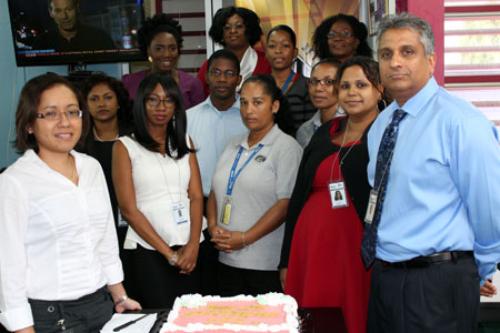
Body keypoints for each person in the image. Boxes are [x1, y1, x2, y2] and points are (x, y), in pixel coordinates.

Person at [363, 13, 500, 333]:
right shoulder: (382, 126)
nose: (395, 62)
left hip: (437, 283)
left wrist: (472, 270)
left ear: (431, 60)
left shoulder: (460, 122)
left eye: (407, 52)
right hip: (384, 278)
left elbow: (490, 206)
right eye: (386, 54)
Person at [0, 73, 140, 333]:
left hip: (101, 306)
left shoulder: (91, 168)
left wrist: (119, 295)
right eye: (50, 114)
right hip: (51, 317)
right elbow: (9, 269)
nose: (65, 122)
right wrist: (23, 328)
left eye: (72, 112)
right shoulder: (15, 182)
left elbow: (105, 238)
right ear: (30, 124)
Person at [280, 57, 382, 333]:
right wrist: (286, 257)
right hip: (310, 245)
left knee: (352, 314)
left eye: (361, 85)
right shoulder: (326, 132)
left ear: (379, 89)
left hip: (354, 249)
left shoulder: (386, 136)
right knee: (313, 317)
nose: (352, 92)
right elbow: (299, 195)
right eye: (345, 85)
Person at [112, 73, 204, 309]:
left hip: (191, 248)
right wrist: (169, 255)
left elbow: (195, 196)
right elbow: (128, 209)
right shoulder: (125, 146)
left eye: (168, 100)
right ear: (141, 104)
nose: (160, 107)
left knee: (192, 319)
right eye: (152, 100)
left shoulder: (185, 141)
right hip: (149, 251)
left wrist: (193, 245)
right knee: (159, 318)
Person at [207, 75, 302, 296]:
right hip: (226, 258)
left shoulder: (286, 147)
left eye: (257, 102)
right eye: (243, 102)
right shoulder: (233, 144)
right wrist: (213, 227)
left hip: (264, 263)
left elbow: (285, 203)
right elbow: (215, 191)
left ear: (274, 106)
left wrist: (244, 238)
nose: (249, 110)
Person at [186, 49, 248, 295]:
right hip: (197, 210)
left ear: (239, 79)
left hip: (243, 211)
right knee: (204, 285)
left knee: (236, 286)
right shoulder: (187, 118)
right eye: (217, 73)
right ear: (207, 77)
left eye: (229, 74)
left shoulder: (249, 117)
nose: (222, 79)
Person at [80, 74, 134, 253]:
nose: (101, 104)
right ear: (85, 105)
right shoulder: (77, 143)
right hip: (93, 225)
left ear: (119, 102)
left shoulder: (135, 137)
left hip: (134, 222)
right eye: (94, 99)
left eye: (108, 97)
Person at [122, 14, 204, 109]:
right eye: (159, 48)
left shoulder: (192, 85)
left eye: (172, 48)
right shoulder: (130, 83)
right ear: (148, 50)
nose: (166, 54)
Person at [197, 6, 272, 96]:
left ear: (249, 30)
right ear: (221, 33)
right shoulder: (210, 65)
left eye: (239, 26)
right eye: (227, 28)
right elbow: (199, 98)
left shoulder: (267, 62)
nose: (233, 31)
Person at [265, 25, 316, 134]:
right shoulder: (260, 86)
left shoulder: (308, 86)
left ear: (295, 53)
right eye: (272, 46)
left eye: (285, 45)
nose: (278, 50)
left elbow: (310, 128)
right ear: (266, 52)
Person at [32, 0, 115, 51]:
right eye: (58, 11)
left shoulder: (101, 38)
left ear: (77, 8)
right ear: (50, 13)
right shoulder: (41, 43)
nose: (64, 16)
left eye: (69, 9)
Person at [296, 58, 341, 147]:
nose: (318, 88)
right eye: (314, 81)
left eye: (328, 82)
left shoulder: (353, 125)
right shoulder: (305, 131)